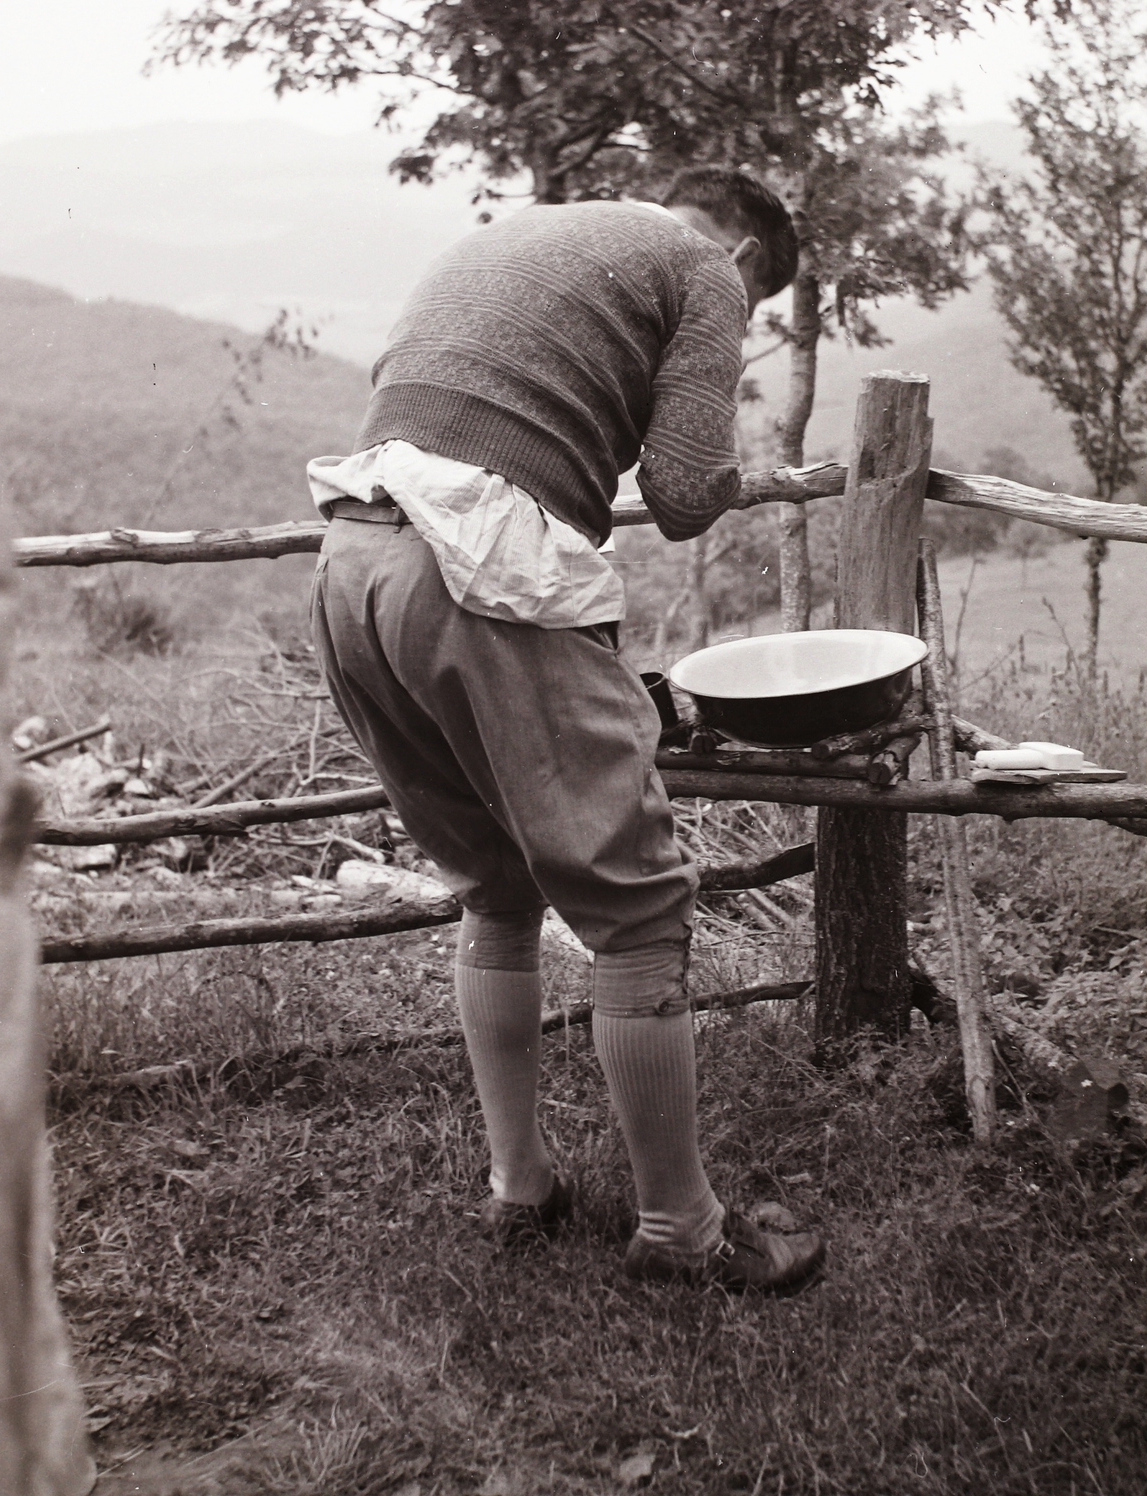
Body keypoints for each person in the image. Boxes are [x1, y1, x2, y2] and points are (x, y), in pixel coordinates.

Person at [305, 167, 824, 1290]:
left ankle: (519, 1188)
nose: (746, 319)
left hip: (353, 557)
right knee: (635, 913)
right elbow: (685, 494)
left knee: (496, 885)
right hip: (476, 565)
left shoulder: (535, 230)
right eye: (761, 299)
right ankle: (682, 1231)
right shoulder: (701, 267)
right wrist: (732, 461)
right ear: (745, 254)